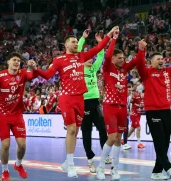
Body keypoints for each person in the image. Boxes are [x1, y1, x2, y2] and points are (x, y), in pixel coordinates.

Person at [33, 26, 117, 178]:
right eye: (73, 42)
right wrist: (36, 69)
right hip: (66, 97)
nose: (75, 44)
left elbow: (99, 47)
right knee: (71, 129)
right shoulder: (59, 60)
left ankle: (67, 161)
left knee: (75, 131)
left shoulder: (82, 57)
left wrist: (109, 35)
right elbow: (46, 76)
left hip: (80, 98)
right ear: (66, 45)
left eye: (76, 42)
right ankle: (71, 164)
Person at [135, 35, 171, 180]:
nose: (161, 60)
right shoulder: (146, 73)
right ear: (151, 62)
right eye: (157, 59)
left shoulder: (168, 73)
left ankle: (156, 172)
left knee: (165, 142)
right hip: (153, 112)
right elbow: (139, 64)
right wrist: (141, 50)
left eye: (162, 59)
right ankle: (168, 168)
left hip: (166, 111)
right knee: (159, 141)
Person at [96, 31, 144, 180]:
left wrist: (142, 50)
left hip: (122, 108)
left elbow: (136, 61)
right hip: (110, 106)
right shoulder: (107, 68)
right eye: (120, 58)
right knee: (111, 137)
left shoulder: (124, 70)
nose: (122, 60)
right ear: (113, 58)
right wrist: (114, 38)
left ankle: (115, 169)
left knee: (118, 139)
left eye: (123, 58)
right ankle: (101, 167)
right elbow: (108, 55)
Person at [0, 52, 37, 181]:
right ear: (8, 62)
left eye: (18, 60)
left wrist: (34, 67)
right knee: (6, 145)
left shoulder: (23, 73)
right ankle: (5, 170)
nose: (16, 62)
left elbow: (32, 75)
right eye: (14, 60)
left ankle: (18, 165)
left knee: (22, 145)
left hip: (17, 115)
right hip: (3, 115)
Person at [77, 29, 110, 173]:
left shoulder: (94, 69)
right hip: (83, 103)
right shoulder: (79, 68)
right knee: (87, 133)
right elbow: (78, 53)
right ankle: (90, 160)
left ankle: (105, 152)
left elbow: (101, 55)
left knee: (103, 128)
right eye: (88, 58)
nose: (91, 59)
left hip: (95, 102)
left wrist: (99, 42)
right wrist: (83, 38)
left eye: (92, 58)